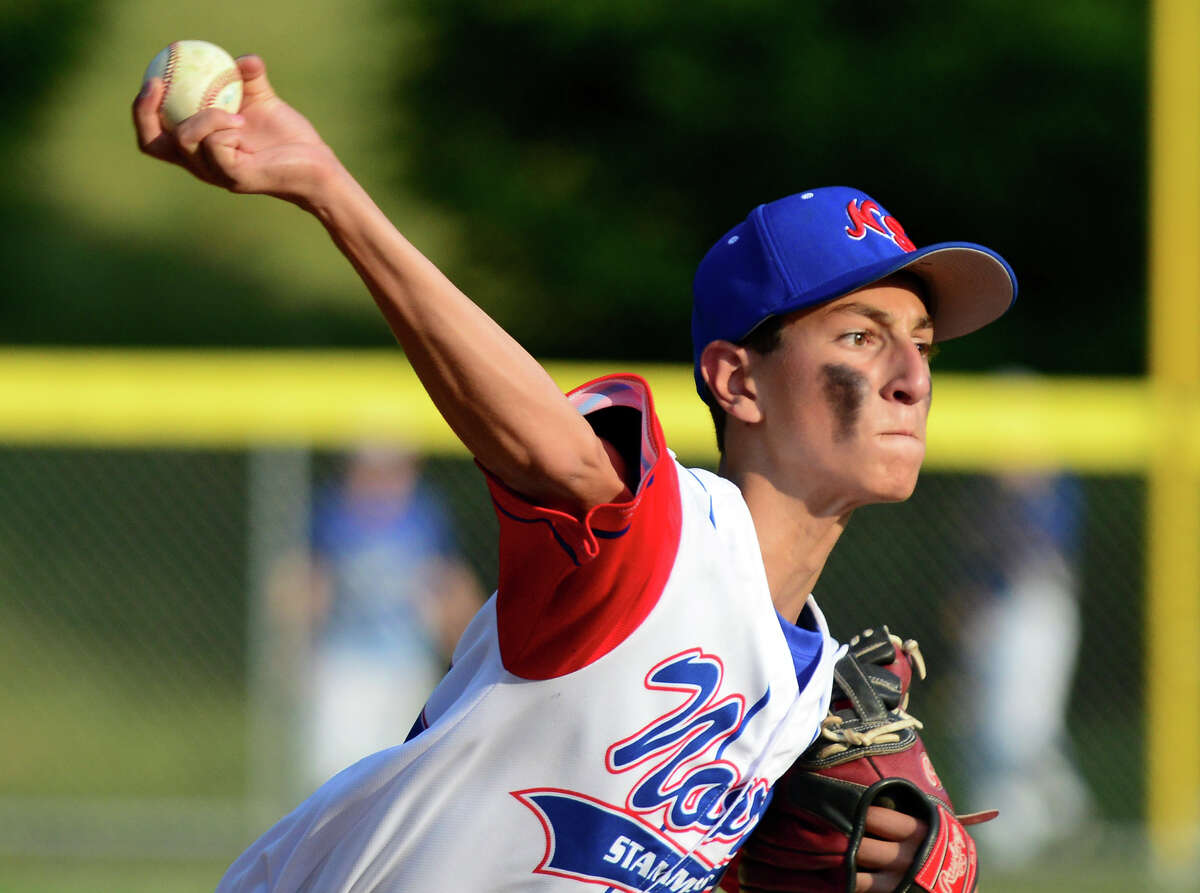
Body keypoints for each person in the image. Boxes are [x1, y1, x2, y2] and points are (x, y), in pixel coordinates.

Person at [133, 54, 1017, 892]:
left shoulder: (808, 688)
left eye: (923, 345)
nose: (912, 375)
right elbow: (548, 448)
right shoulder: (667, 541)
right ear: (737, 379)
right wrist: (329, 189)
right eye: (861, 336)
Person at [268, 444, 483, 792]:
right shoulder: (332, 516)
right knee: (333, 774)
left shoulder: (425, 517)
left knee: (395, 772)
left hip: (405, 663)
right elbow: (306, 584)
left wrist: (465, 652)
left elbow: (449, 583)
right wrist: (291, 648)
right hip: (344, 663)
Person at [952, 470, 1092, 866]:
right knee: (984, 721)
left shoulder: (1052, 488)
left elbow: (1039, 551)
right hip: (995, 609)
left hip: (1035, 608)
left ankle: (1033, 820)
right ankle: (1058, 812)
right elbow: (978, 554)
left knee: (1017, 727)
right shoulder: (987, 491)